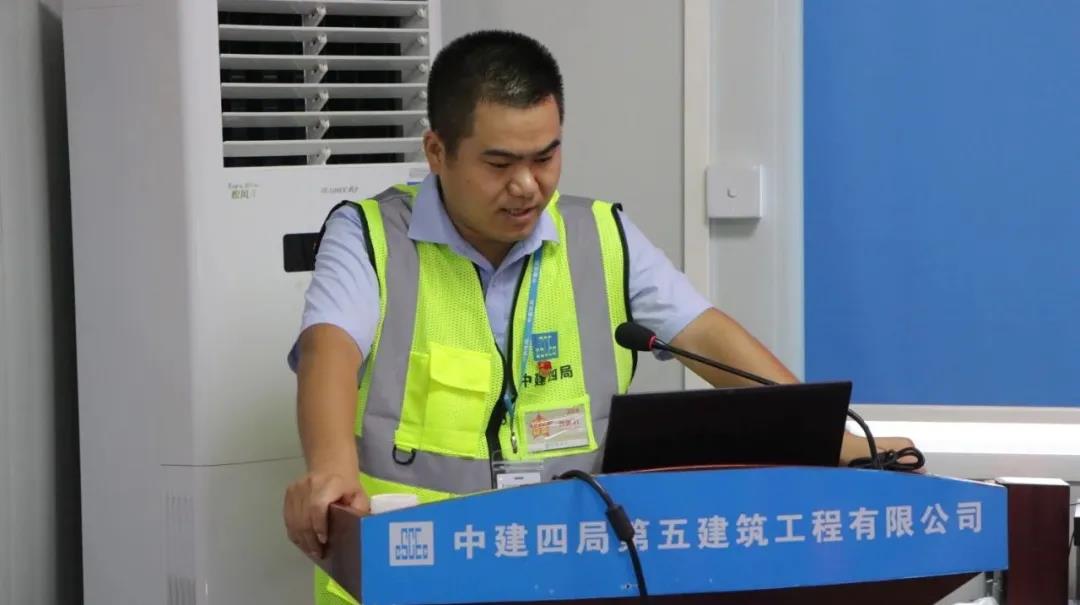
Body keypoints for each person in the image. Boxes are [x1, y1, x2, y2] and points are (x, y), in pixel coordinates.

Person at [283, 30, 917, 605]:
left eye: (545, 157)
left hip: (569, 571)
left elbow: (704, 334)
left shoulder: (599, 235)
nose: (527, 185)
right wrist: (332, 469)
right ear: (437, 151)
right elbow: (328, 349)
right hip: (412, 575)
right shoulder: (370, 236)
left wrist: (836, 443)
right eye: (499, 164)